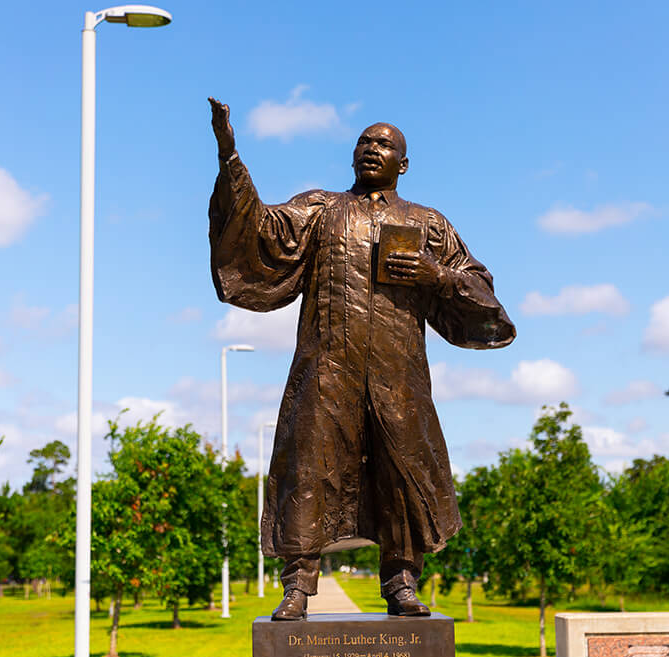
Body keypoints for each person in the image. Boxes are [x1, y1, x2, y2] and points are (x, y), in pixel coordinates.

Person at [208, 98, 515, 620]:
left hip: (399, 377)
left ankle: (401, 583)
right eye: (365, 142)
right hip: (328, 371)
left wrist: (433, 275)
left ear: (404, 163)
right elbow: (262, 231)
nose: (372, 149)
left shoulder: (427, 226)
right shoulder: (322, 209)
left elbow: (482, 293)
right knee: (309, 470)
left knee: (402, 474)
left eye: (385, 144)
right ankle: (297, 588)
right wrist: (232, 160)